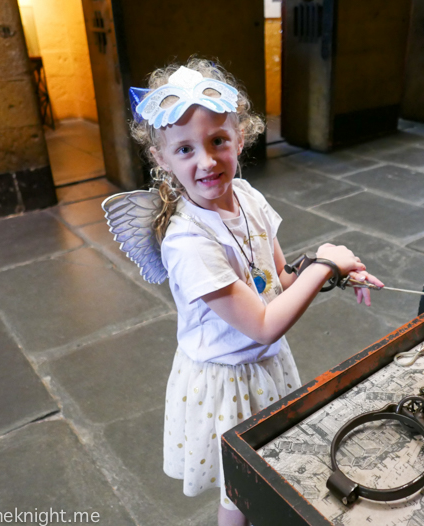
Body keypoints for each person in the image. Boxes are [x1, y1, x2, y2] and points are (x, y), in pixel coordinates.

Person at [104, 57, 383, 526]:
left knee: (269, 472)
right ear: (161, 158)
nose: (207, 161)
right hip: (225, 383)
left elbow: (279, 282)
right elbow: (262, 325)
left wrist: (331, 271)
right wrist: (325, 260)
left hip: (266, 370)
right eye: (186, 150)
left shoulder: (249, 198)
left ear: (241, 137)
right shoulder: (188, 241)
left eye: (218, 142)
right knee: (239, 492)